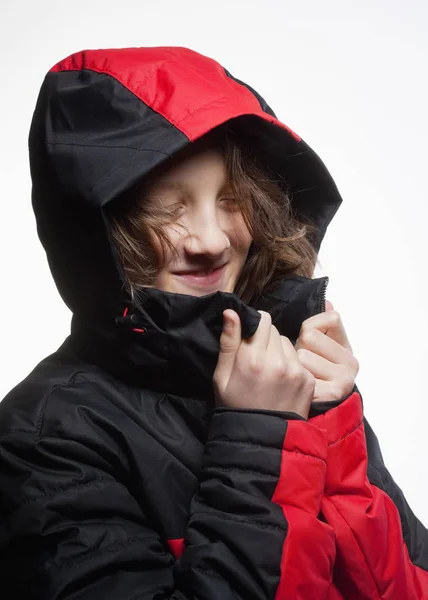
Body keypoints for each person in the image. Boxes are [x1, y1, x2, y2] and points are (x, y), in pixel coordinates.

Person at [0, 46, 426, 600]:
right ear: (94, 232)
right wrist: (259, 438)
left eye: (231, 199)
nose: (212, 241)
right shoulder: (42, 437)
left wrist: (329, 422)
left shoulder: (289, 368)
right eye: (167, 208)